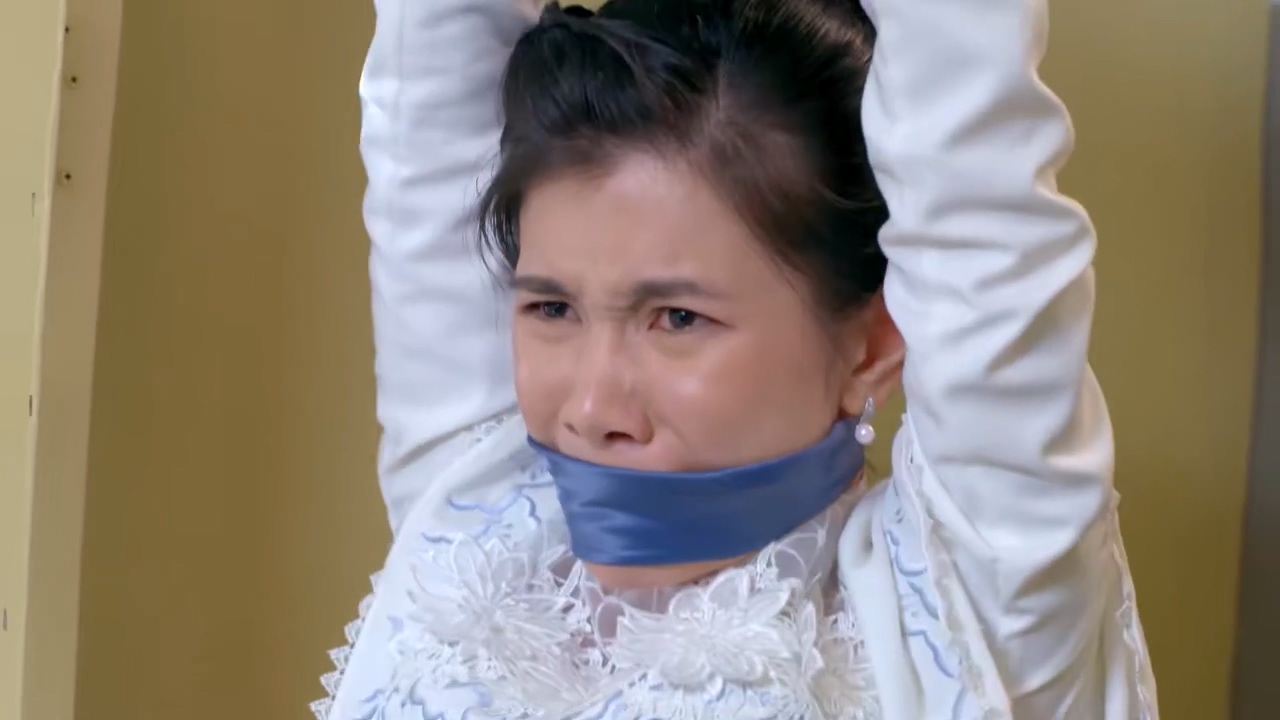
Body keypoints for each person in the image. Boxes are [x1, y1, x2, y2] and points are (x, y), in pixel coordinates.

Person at [314, 0, 1160, 717]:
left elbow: (975, 174)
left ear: (875, 343)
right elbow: (432, 68)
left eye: (678, 319)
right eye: (552, 308)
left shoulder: (972, 609)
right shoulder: (476, 527)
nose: (591, 411)